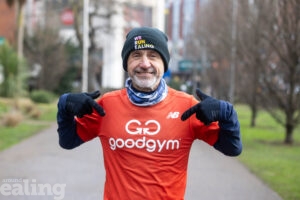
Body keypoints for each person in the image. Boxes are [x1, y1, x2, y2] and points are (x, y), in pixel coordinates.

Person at [57, 27, 242, 200]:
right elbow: (68, 141)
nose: (145, 64)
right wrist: (65, 106)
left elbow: (232, 148)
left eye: (153, 56)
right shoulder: (106, 105)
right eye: (136, 55)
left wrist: (227, 115)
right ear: (127, 63)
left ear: (164, 63)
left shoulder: (187, 106)